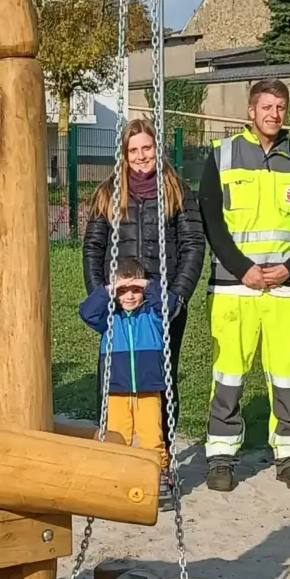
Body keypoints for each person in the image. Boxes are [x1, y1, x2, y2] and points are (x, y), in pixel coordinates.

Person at [198, 79, 290, 493]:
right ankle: (221, 455)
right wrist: (241, 269)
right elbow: (211, 221)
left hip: (286, 288)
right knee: (229, 374)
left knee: (285, 375)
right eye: (266, 107)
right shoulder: (222, 155)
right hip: (235, 287)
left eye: (281, 107)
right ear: (250, 111)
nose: (274, 114)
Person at [82, 118, 204, 396]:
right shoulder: (108, 194)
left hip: (161, 300)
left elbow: (193, 244)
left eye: (146, 148)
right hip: (120, 299)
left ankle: (161, 438)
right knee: (115, 374)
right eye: (133, 150)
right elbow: (92, 248)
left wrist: (178, 296)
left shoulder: (177, 192)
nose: (141, 157)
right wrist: (101, 293)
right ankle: (112, 434)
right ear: (125, 156)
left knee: (162, 377)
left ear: (156, 149)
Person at [80, 257, 171, 452]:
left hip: (148, 387)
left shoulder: (153, 316)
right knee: (118, 438)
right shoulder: (109, 319)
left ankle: (160, 473)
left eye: (135, 290)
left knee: (152, 437)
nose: (129, 296)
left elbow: (169, 305)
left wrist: (147, 284)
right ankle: (120, 474)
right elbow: (87, 312)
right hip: (117, 389)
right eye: (122, 291)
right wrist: (109, 289)